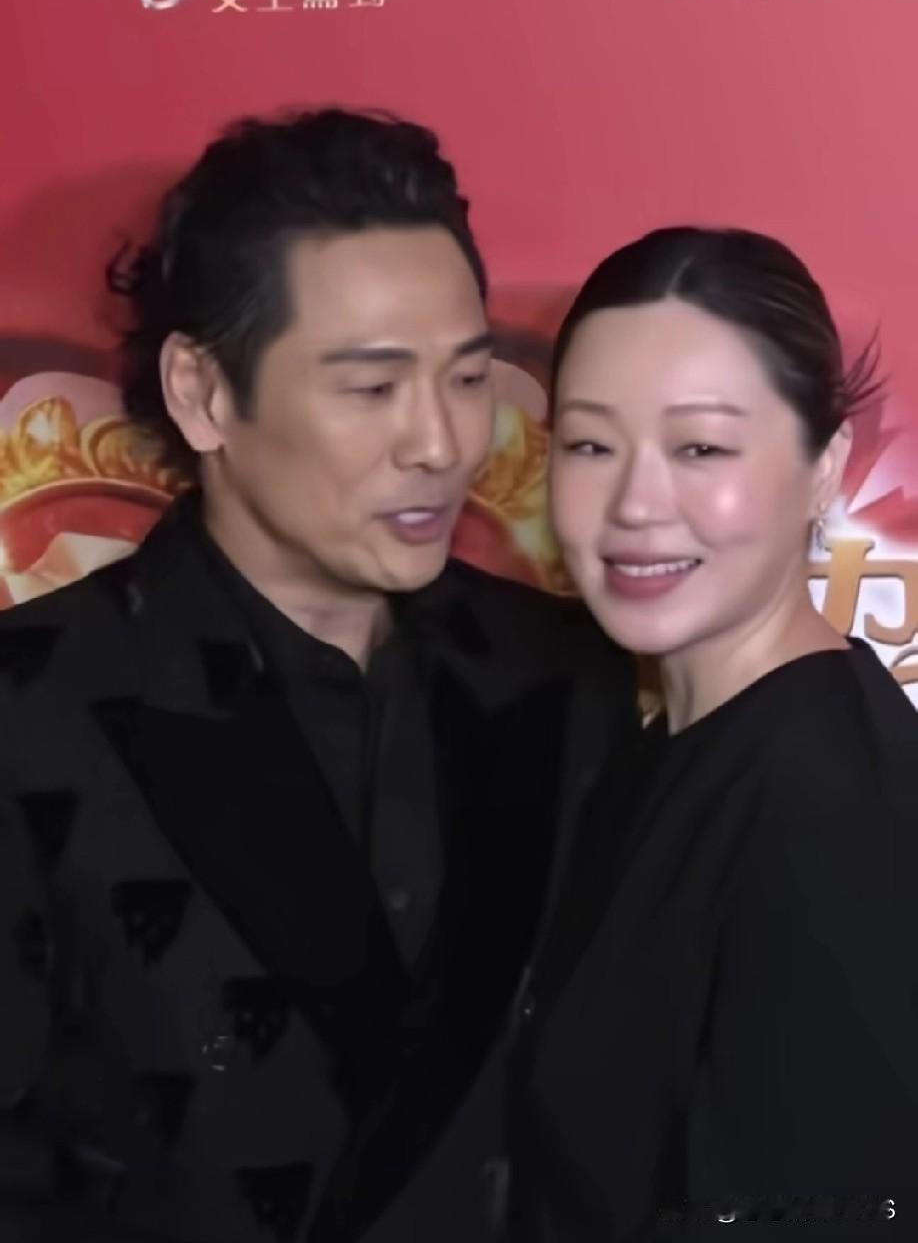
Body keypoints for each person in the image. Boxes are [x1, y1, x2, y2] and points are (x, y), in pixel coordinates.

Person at [0, 108, 636, 1243]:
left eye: (468, 376)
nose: (441, 442)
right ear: (203, 392)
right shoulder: (31, 711)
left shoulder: (570, 678)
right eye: (372, 387)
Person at [509, 226, 918, 1240]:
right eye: (591, 446)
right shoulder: (657, 744)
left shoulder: (831, 818)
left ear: (825, 468)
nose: (636, 505)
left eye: (701, 448)